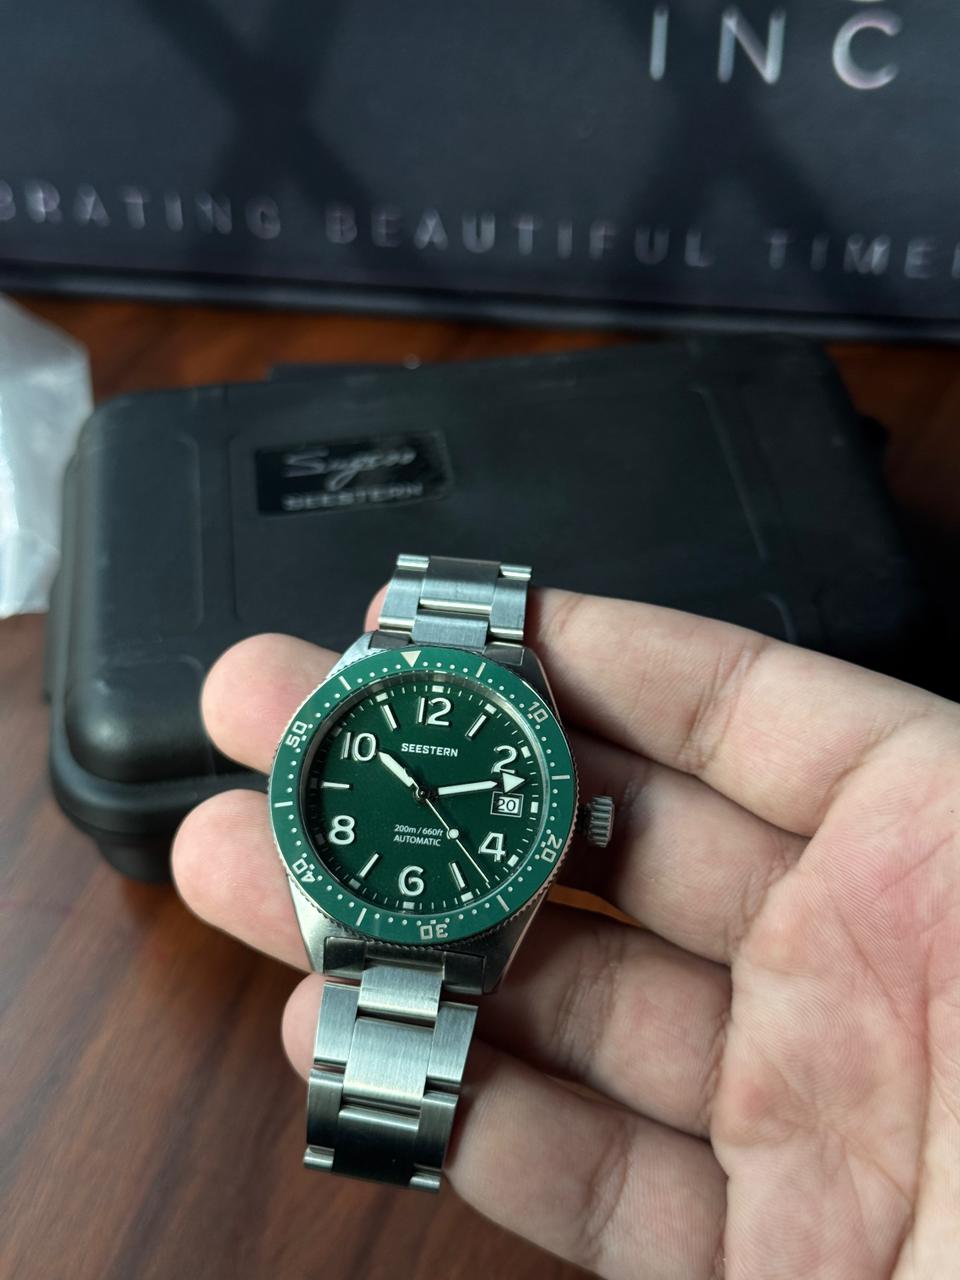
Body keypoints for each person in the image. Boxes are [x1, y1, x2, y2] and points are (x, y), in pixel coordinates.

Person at [173, 588, 959, 1279]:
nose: (418, 795)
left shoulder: (539, 816)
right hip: (358, 902)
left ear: (580, 822)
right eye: (410, 785)